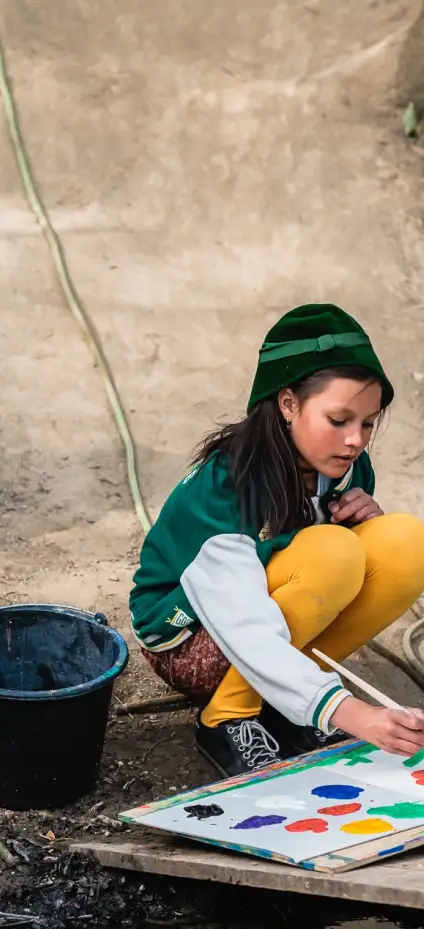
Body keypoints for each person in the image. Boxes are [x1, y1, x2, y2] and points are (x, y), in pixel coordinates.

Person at [130, 304, 424, 776]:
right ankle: (228, 716)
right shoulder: (230, 485)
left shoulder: (345, 468)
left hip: (268, 619)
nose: (355, 440)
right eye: (338, 420)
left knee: (405, 540)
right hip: (191, 636)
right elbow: (242, 618)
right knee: (334, 551)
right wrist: (347, 711)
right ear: (288, 404)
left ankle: (288, 700)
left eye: (367, 423)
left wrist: (364, 522)